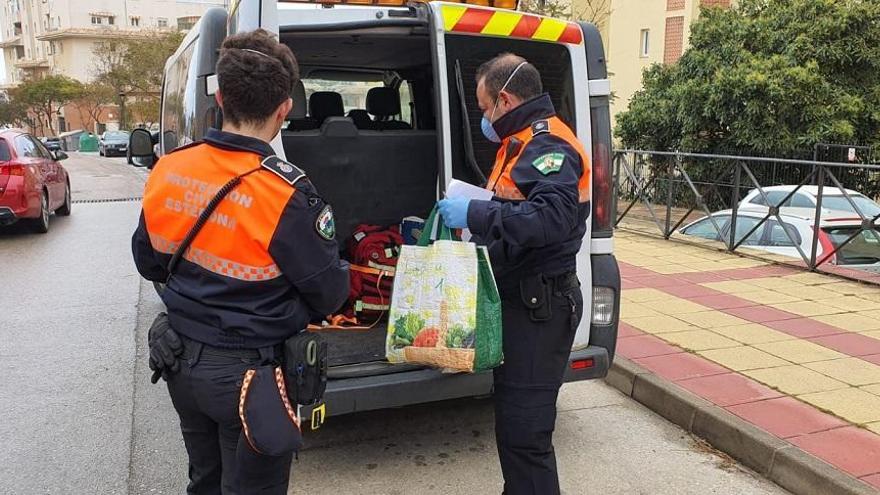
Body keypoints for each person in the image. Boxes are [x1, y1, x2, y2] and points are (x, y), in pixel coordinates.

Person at [131, 29, 349, 494]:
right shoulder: (286, 195)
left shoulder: (170, 169)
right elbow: (330, 294)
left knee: (204, 481)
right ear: (285, 107)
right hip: (251, 378)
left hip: (180, 360)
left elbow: (148, 262)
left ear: (220, 96)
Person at [438, 53, 591, 495]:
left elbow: (551, 219)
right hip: (523, 301)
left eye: (485, 107)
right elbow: (519, 209)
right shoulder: (521, 142)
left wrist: (478, 214)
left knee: (527, 433)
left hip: (542, 306)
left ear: (505, 99)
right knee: (514, 425)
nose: (484, 117)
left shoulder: (549, 147)